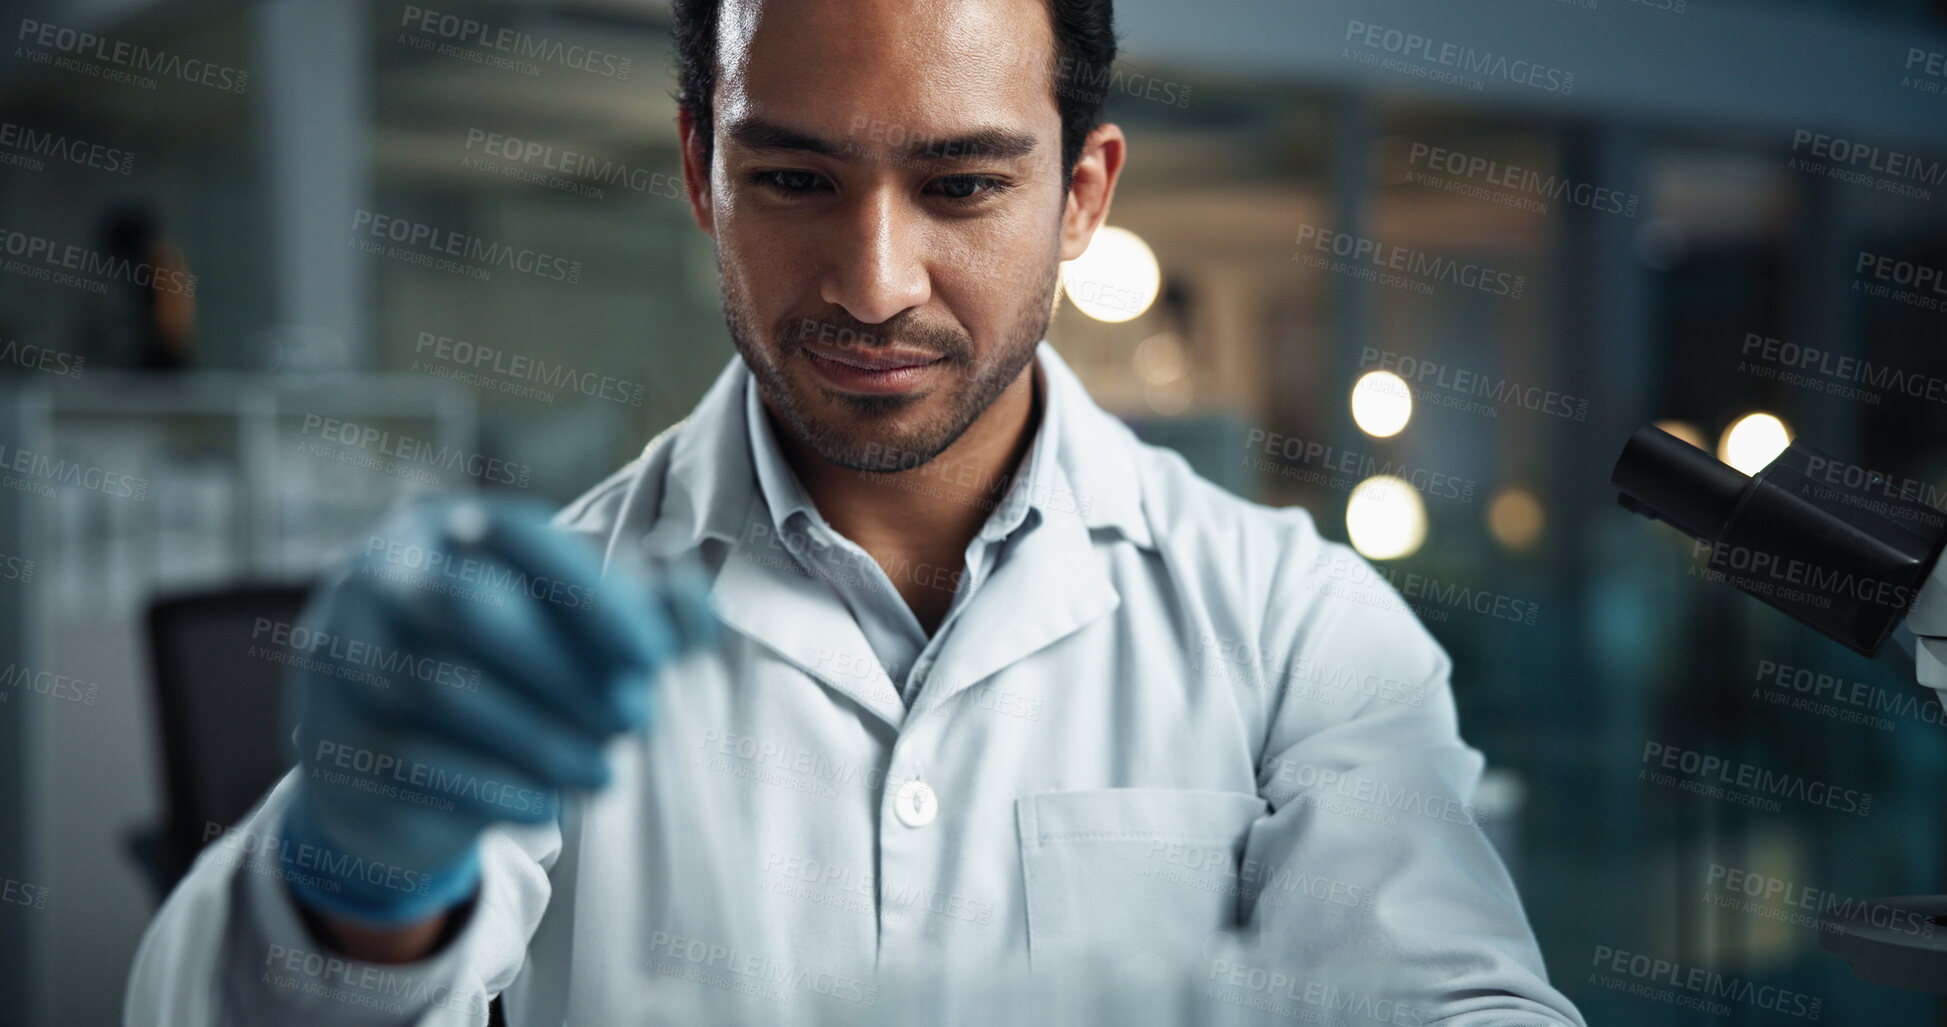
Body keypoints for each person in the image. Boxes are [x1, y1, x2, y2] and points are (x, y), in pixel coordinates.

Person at [125, 0, 1587, 1023]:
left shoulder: (1296, 627)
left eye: (961, 184)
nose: (875, 281)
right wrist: (353, 870)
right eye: (795, 178)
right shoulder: (555, 628)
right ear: (703, 170)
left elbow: (1450, 1004)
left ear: (1083, 196)